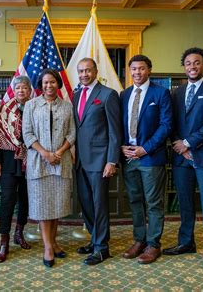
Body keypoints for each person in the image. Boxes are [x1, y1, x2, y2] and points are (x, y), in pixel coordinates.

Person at [163, 47, 203, 269]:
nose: (192, 66)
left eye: (197, 62)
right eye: (188, 63)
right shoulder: (177, 93)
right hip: (182, 158)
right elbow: (171, 123)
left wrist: (189, 143)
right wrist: (180, 146)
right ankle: (186, 242)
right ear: (184, 66)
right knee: (185, 203)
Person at [119, 55, 172, 264]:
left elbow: (166, 125)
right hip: (129, 158)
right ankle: (139, 240)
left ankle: (153, 244)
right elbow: (118, 123)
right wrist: (121, 146)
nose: (137, 73)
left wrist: (145, 149)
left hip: (150, 158)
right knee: (135, 201)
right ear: (129, 71)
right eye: (133, 69)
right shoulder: (124, 95)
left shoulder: (161, 93)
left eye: (141, 69)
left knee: (153, 203)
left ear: (149, 70)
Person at [22, 68, 75, 268]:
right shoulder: (31, 105)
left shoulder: (67, 107)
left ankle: (53, 241)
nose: (49, 86)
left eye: (52, 82)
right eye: (45, 82)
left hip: (61, 163)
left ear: (58, 83)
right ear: (40, 85)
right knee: (43, 208)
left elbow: (72, 134)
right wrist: (45, 153)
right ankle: (48, 247)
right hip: (39, 164)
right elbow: (27, 134)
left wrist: (59, 152)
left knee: (56, 206)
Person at [73, 57, 122, 266]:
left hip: (100, 161)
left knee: (99, 205)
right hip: (80, 162)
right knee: (86, 204)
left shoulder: (108, 95)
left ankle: (102, 248)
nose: (84, 74)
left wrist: (112, 160)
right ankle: (95, 240)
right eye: (81, 71)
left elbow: (115, 131)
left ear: (95, 71)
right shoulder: (75, 96)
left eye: (88, 70)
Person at [0, 76, 33, 263]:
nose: (21, 91)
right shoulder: (4, 109)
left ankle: (19, 233)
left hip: (30, 161)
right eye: (18, 88)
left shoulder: (34, 108)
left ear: (30, 91)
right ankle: (4, 241)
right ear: (13, 91)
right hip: (8, 162)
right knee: (7, 200)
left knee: (25, 200)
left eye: (24, 88)